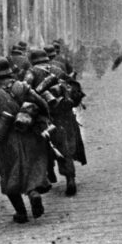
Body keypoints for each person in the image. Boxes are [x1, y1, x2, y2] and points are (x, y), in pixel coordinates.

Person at [0, 57, 51, 222]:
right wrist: (42, 121)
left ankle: (21, 213)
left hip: (6, 139)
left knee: (9, 174)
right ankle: (33, 192)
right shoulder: (22, 86)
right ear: (9, 71)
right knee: (32, 167)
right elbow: (43, 104)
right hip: (30, 135)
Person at [25, 48, 86, 196]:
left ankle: (47, 175)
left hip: (45, 118)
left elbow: (25, 91)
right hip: (65, 115)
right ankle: (70, 178)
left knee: (42, 147)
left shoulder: (31, 72)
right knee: (66, 147)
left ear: (33, 60)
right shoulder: (57, 69)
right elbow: (74, 86)